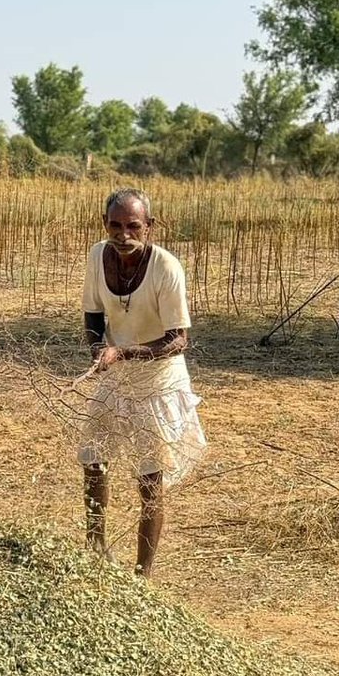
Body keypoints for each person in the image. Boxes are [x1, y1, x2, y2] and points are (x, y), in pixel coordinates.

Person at [79, 187, 205, 577]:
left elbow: (178, 340)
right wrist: (99, 350)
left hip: (158, 379)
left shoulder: (167, 268)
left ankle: (142, 576)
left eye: (133, 226)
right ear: (105, 225)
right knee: (92, 455)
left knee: (150, 477)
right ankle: (96, 549)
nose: (123, 234)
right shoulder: (98, 256)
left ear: (149, 227)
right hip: (118, 373)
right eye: (115, 225)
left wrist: (126, 353)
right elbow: (93, 318)